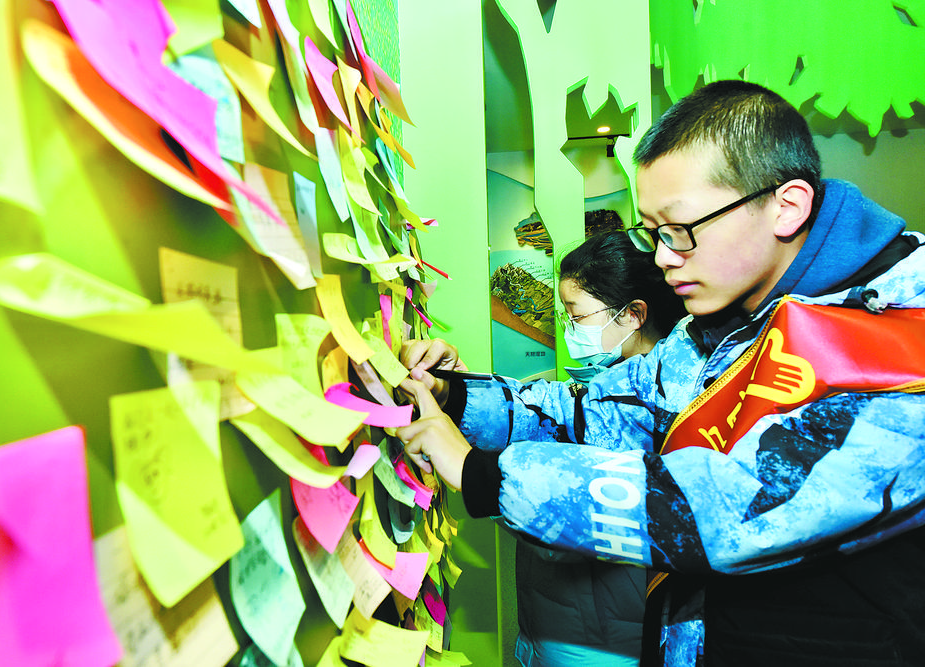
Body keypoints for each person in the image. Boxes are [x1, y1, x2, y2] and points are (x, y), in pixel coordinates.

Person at [396, 80, 925, 666]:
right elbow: (599, 413)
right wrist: (456, 396)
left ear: (786, 206)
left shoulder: (904, 333)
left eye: (680, 230)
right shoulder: (722, 320)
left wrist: (481, 473)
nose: (663, 257)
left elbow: (728, 505)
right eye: (654, 233)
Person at [513, 230, 686, 667]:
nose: (568, 330)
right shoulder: (603, 384)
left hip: (601, 639)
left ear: (632, 315)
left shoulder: (652, 408)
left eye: (576, 315)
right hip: (562, 623)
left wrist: (480, 466)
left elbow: (565, 526)